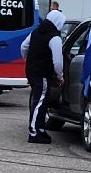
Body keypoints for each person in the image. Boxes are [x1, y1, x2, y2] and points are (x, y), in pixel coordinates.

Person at [22, 12, 63, 144]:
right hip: (43, 73)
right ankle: (34, 132)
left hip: (31, 70)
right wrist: (60, 75)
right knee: (40, 102)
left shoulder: (36, 31)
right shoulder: (55, 37)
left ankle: (40, 129)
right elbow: (57, 61)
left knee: (41, 101)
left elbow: (23, 47)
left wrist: (29, 60)